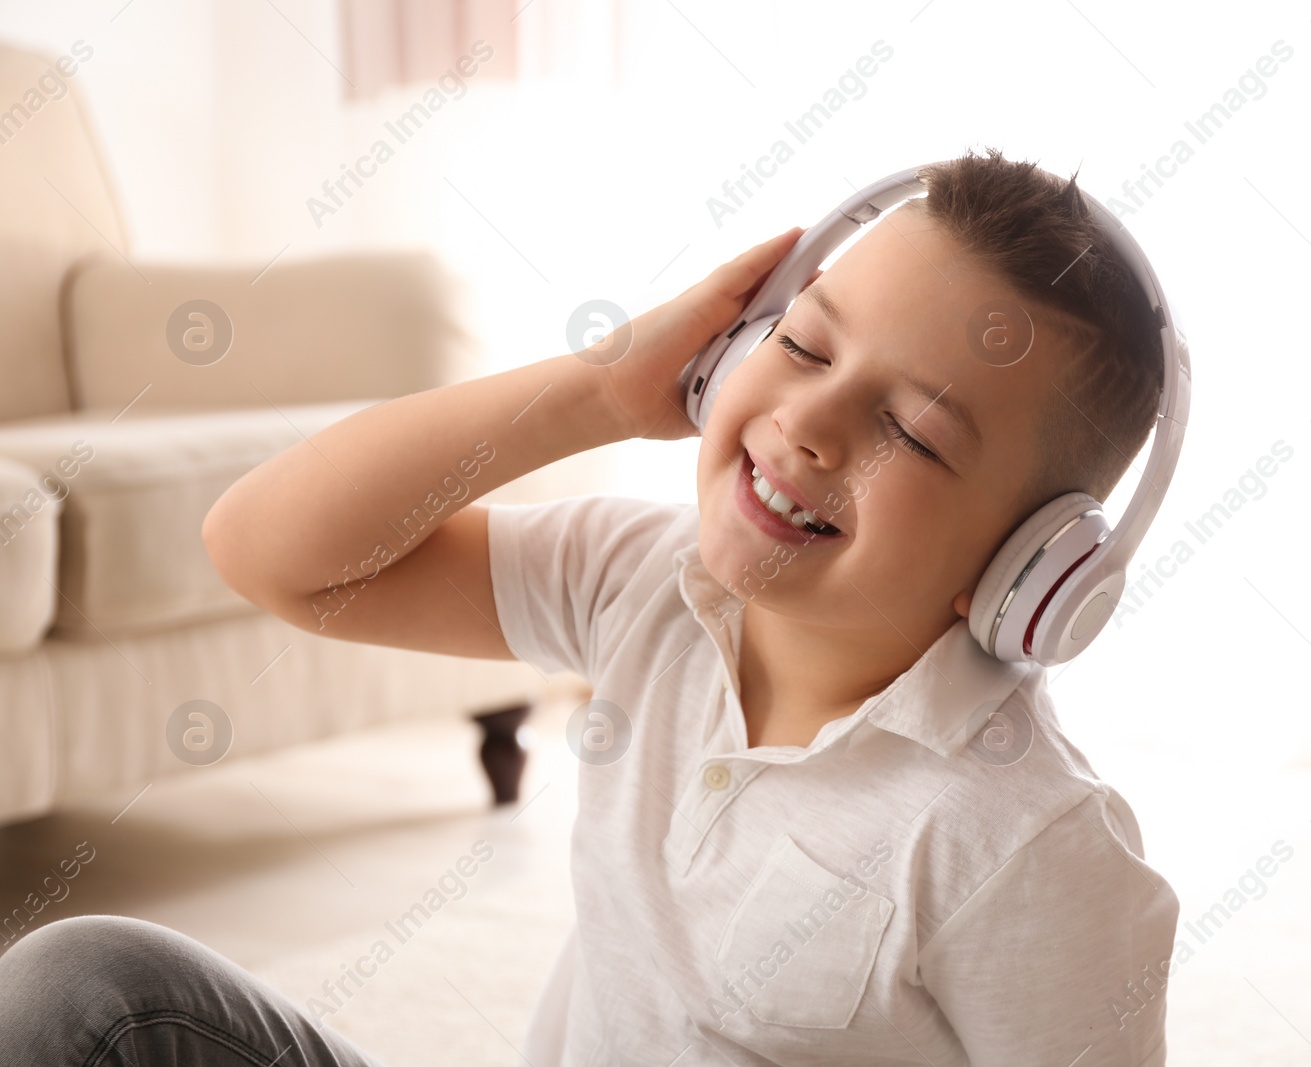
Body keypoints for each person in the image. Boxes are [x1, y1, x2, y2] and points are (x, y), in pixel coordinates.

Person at [1, 148, 1180, 1065]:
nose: (812, 424)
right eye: (806, 346)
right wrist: (602, 390)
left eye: (913, 434)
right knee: (84, 984)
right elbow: (269, 552)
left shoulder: (1027, 843)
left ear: (1034, 568)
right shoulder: (643, 579)